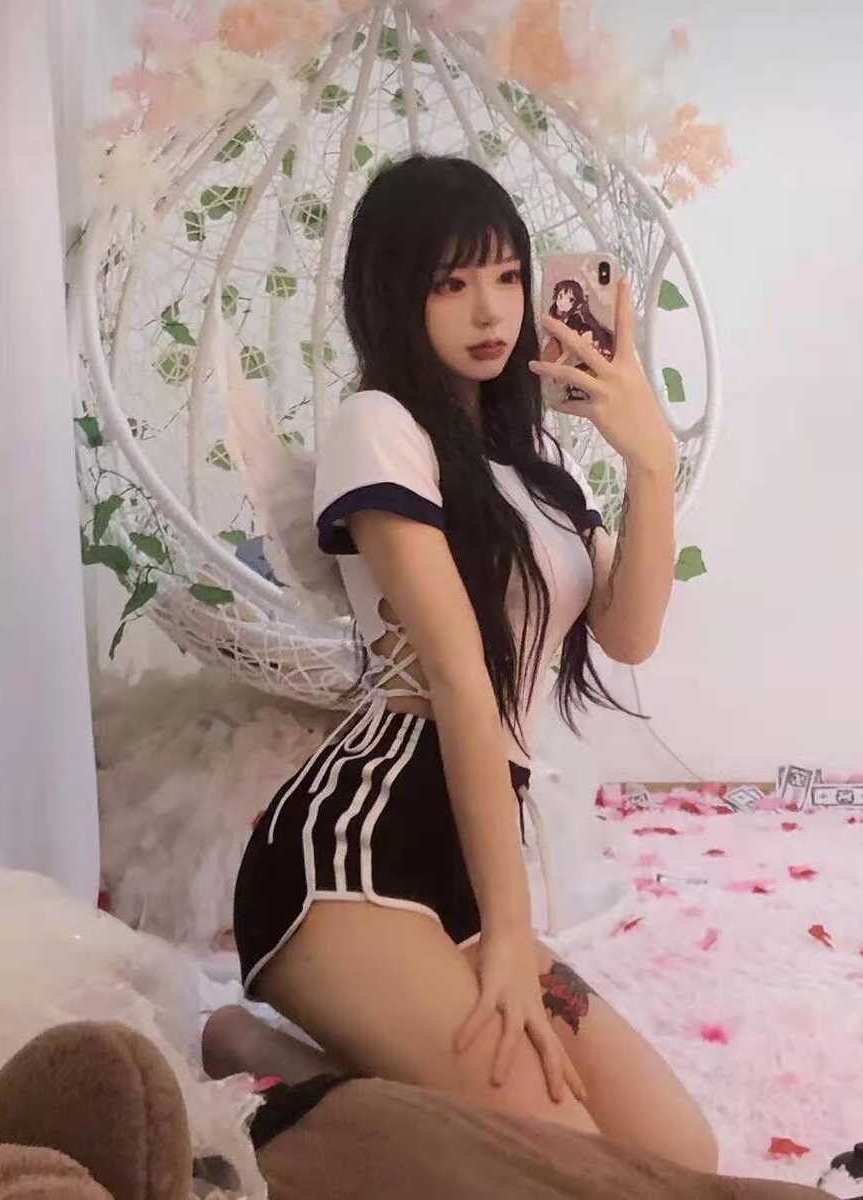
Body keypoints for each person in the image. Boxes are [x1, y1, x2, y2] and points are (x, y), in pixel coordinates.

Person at [216, 152, 717, 1173]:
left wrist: (649, 461)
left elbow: (628, 635)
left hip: (468, 853)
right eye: (450, 283)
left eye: (506, 276)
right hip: (355, 858)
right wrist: (510, 934)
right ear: (394, 296)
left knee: (681, 1157)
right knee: (568, 1165)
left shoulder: (541, 471)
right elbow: (458, 682)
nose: (489, 310)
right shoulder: (378, 426)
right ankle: (299, 1066)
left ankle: (271, 1061)